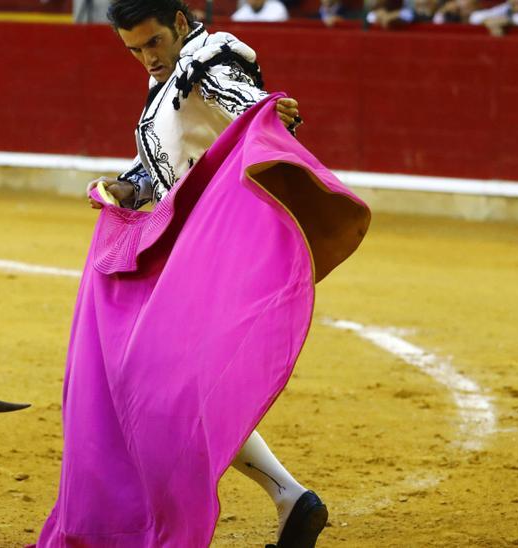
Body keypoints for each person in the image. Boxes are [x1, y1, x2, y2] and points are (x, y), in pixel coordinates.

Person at [40, 0, 330, 546]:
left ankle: (276, 498)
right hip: (196, 246)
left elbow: (244, 104)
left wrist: (269, 112)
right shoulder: (171, 78)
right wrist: (126, 187)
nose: (146, 58)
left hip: (214, 250)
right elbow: (168, 167)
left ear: (179, 21)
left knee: (158, 390)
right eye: (133, 50)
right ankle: (291, 498)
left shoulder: (203, 59)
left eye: (152, 43)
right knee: (168, 390)